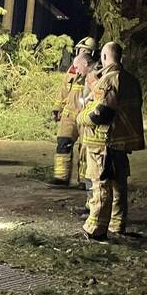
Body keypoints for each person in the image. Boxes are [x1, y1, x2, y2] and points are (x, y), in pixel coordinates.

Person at [77, 42, 145, 240]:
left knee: (101, 185)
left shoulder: (109, 79)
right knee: (119, 185)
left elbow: (102, 112)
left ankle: (95, 229)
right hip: (122, 141)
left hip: (104, 142)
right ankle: (117, 224)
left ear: (105, 57)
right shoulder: (132, 81)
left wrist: (82, 117)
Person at [51, 37, 97, 185]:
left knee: (85, 149)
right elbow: (63, 91)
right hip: (69, 114)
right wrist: (57, 108)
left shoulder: (95, 72)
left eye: (86, 51)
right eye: (81, 50)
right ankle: (61, 177)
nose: (82, 53)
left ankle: (84, 180)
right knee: (63, 143)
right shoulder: (72, 69)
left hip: (85, 115)